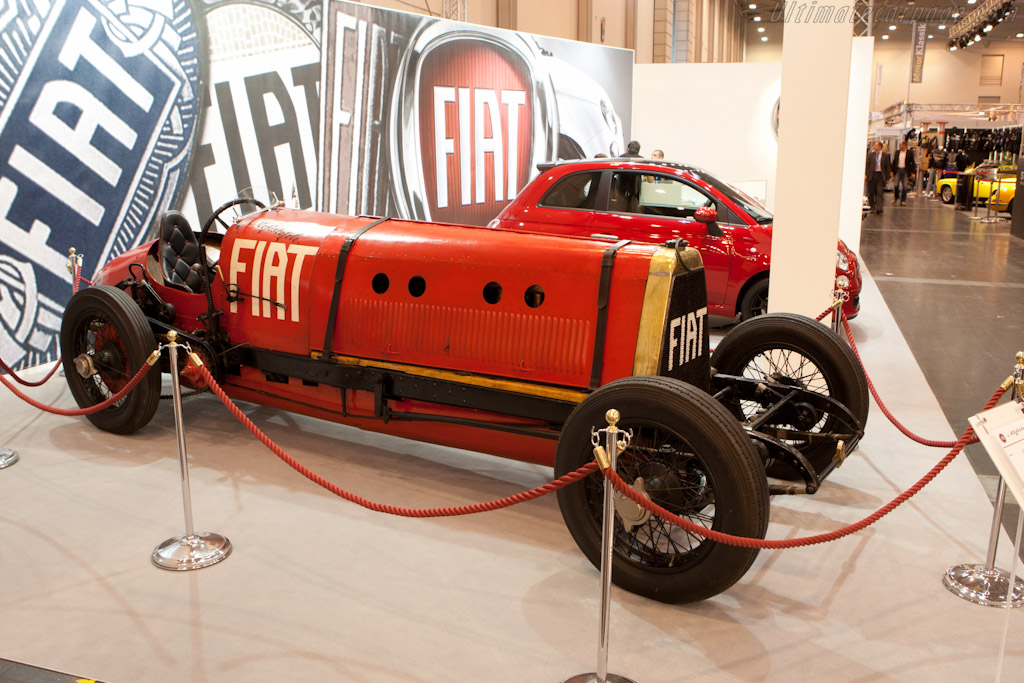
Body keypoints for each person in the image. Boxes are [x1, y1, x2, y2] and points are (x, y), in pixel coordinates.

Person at [865, 141, 891, 214]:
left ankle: (879, 208)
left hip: (880, 175)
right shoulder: (871, 155)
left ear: (880, 146)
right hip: (872, 175)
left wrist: (888, 177)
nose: (874, 146)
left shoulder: (886, 156)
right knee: (871, 192)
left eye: (875, 145)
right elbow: (867, 165)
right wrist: (865, 174)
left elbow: (888, 167)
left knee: (880, 192)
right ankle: (872, 207)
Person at [890, 141, 916, 206]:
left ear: (904, 145)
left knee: (905, 186)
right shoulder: (897, 152)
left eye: (900, 145)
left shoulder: (909, 153)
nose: (899, 146)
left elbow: (913, 163)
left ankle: (903, 200)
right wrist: (892, 171)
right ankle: (896, 197)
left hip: (905, 170)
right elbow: (894, 161)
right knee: (896, 185)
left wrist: (913, 172)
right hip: (898, 169)